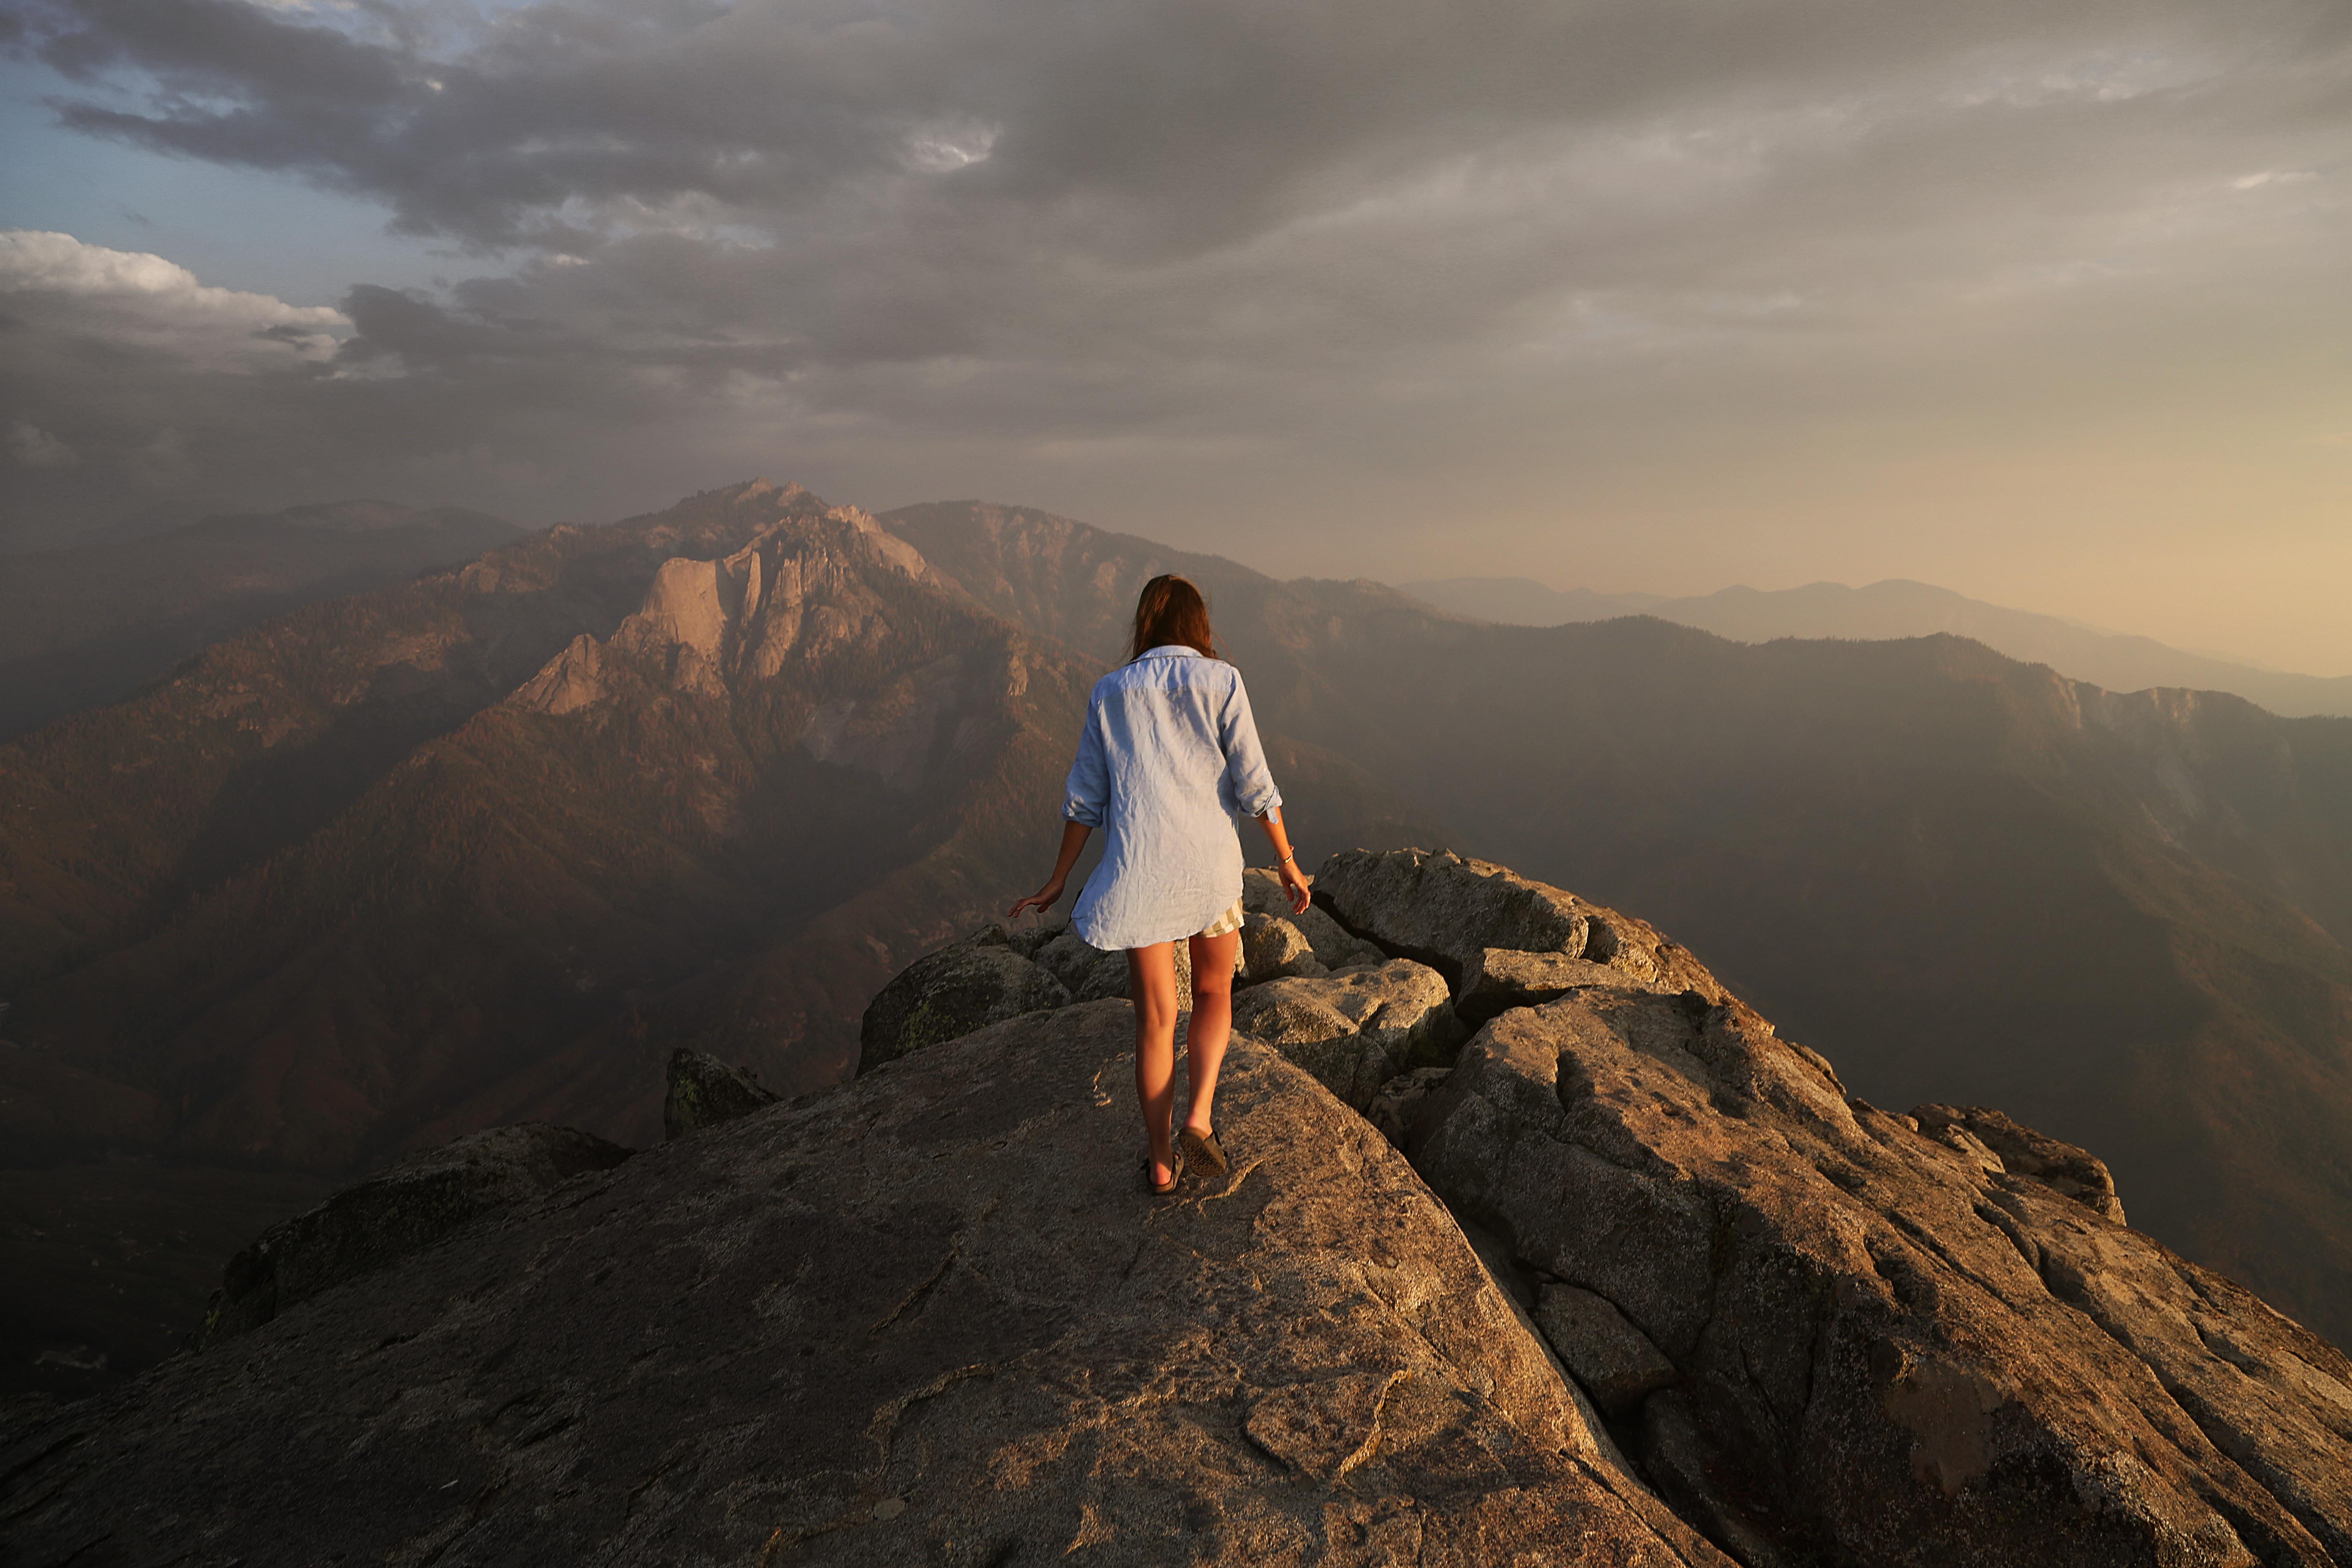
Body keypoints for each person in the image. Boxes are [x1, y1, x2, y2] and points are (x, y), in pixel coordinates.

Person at [1010, 574, 1313, 1195]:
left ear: (1144, 625)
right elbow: (1257, 785)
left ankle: (1161, 1163)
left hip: (1139, 869)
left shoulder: (1109, 693)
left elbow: (1084, 801)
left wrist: (1059, 879)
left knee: (1154, 1020)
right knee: (1213, 995)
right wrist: (1285, 860)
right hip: (1210, 871)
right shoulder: (1222, 680)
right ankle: (1199, 1119)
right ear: (1198, 625)